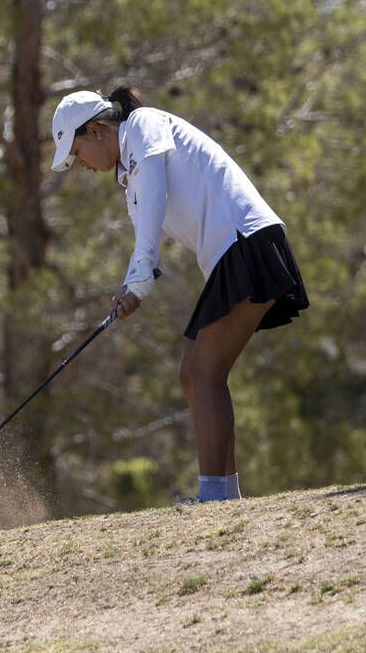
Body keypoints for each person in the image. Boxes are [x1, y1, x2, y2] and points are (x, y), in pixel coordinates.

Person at [49, 87, 308, 503]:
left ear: (95, 130)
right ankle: (225, 495)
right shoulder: (130, 176)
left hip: (247, 242)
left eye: (77, 153)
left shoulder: (144, 125)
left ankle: (215, 498)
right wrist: (132, 286)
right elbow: (146, 244)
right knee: (194, 375)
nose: (82, 165)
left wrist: (138, 281)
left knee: (204, 375)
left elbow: (153, 202)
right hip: (235, 252)